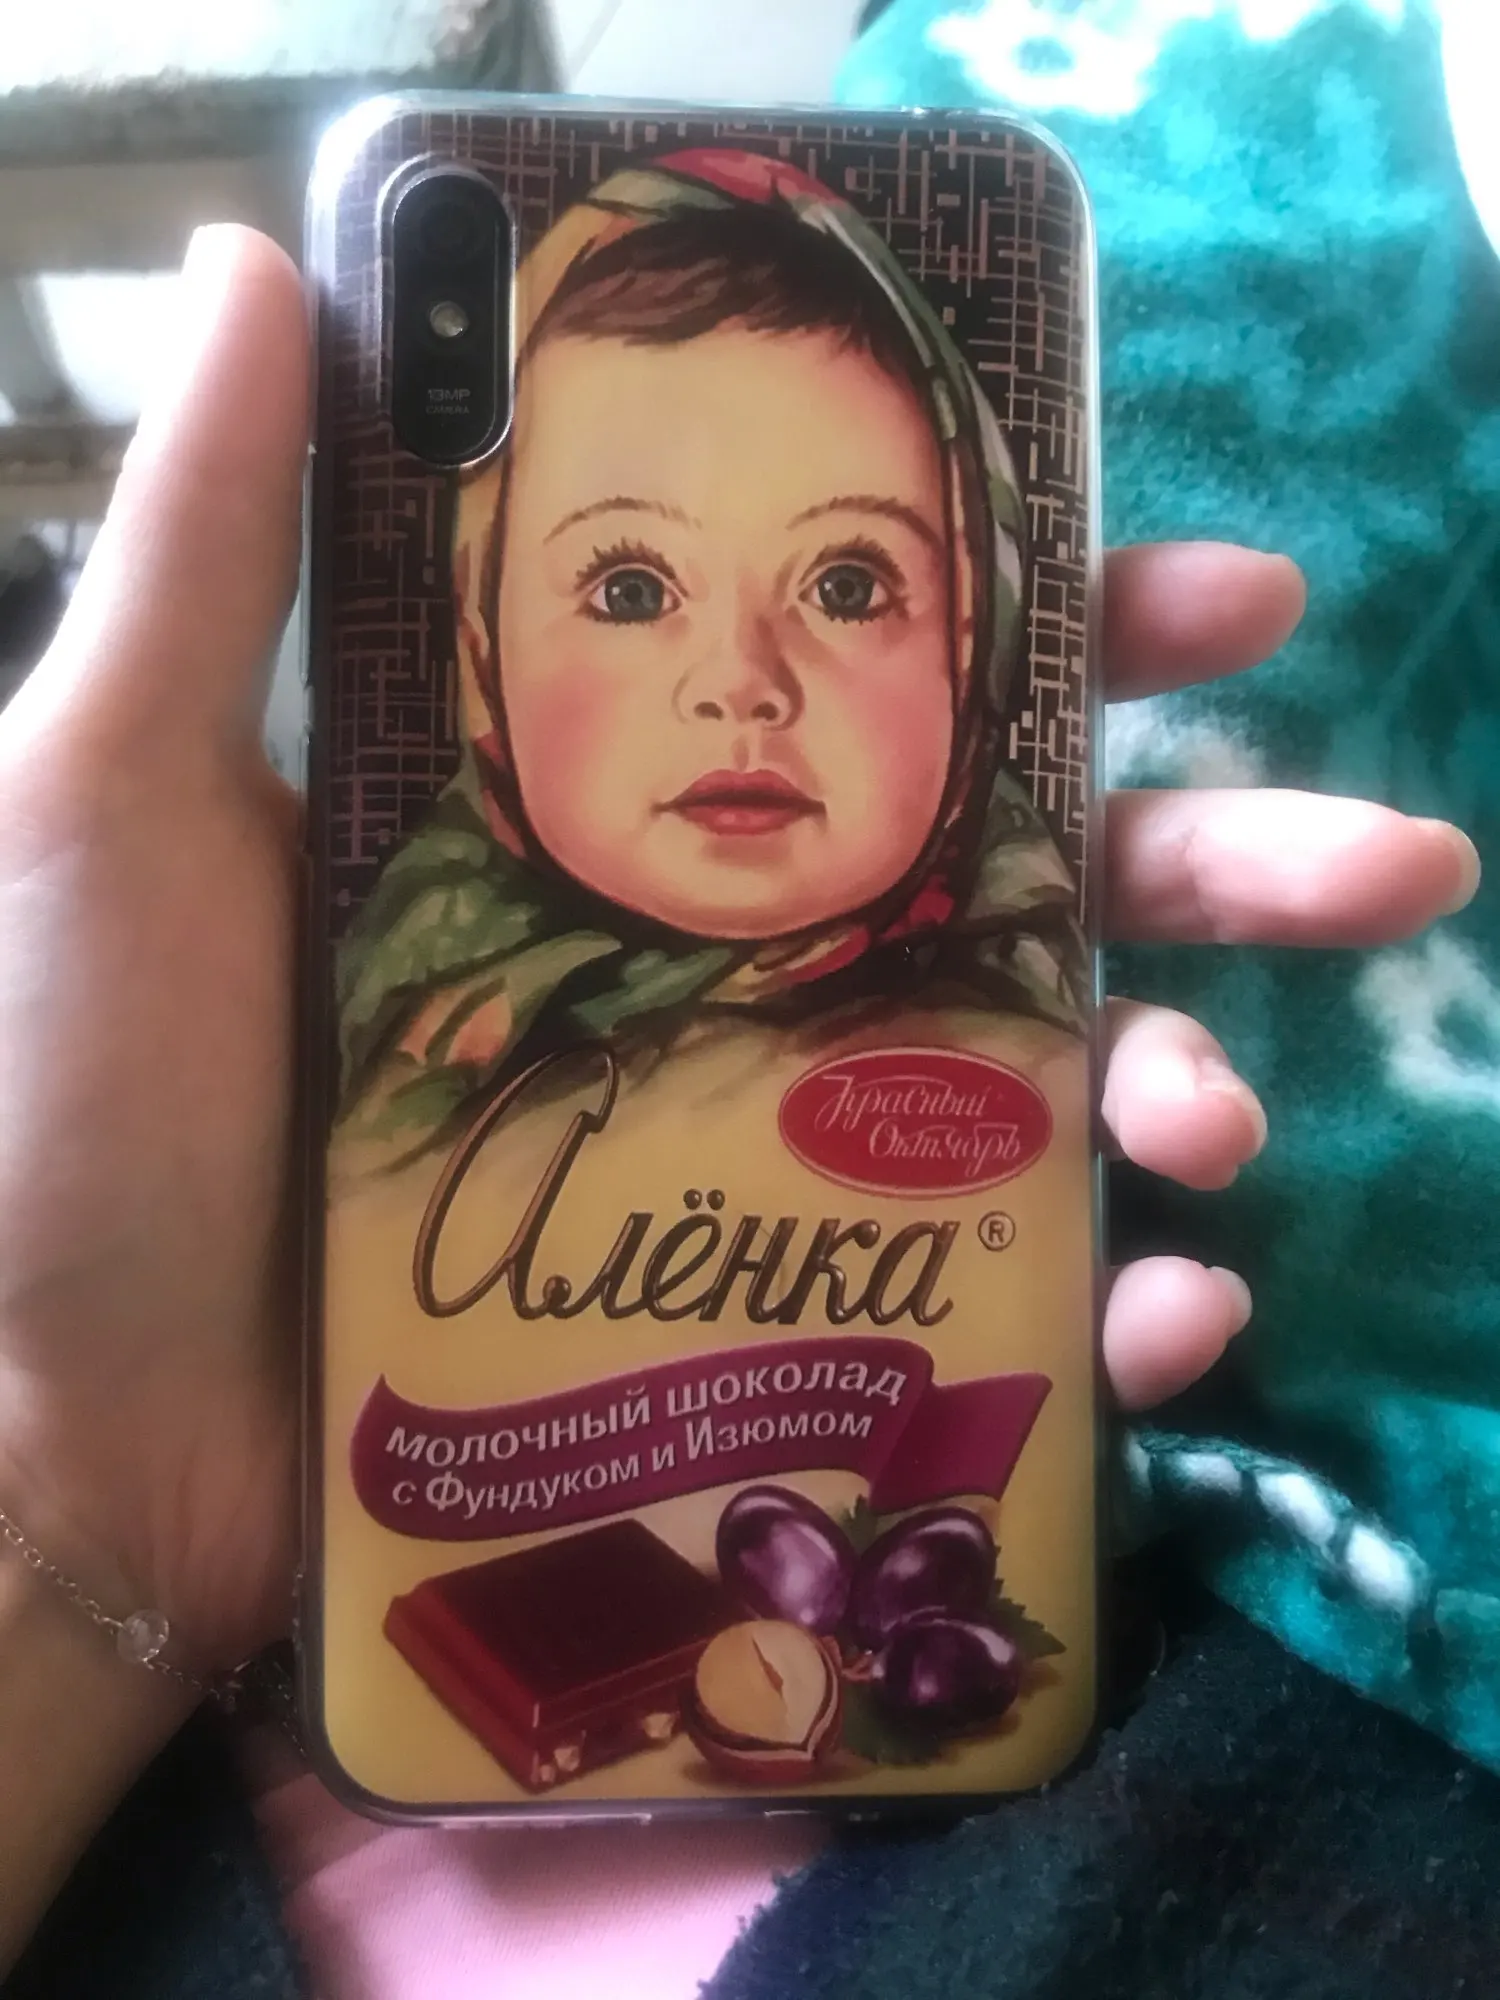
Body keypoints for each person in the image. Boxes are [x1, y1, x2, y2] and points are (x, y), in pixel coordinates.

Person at [0, 223, 1478, 1973]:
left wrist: (74, 1518)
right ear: (477, 639)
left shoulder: (979, 977)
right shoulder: (420, 998)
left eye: (849, 583)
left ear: (973, 642)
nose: (743, 681)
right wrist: (62, 1472)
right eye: (630, 588)